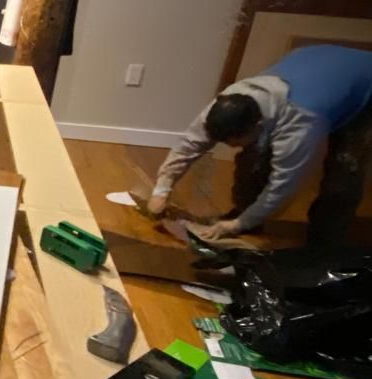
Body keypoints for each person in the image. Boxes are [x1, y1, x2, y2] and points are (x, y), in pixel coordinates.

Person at [148, 45, 372, 245]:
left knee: (343, 175)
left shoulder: (300, 123)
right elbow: (188, 145)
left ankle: (324, 246)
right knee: (253, 157)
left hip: (364, 91)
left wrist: (235, 226)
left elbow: (283, 186)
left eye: (235, 142)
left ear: (258, 124)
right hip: (316, 63)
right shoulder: (230, 99)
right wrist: (161, 191)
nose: (231, 147)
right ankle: (247, 217)